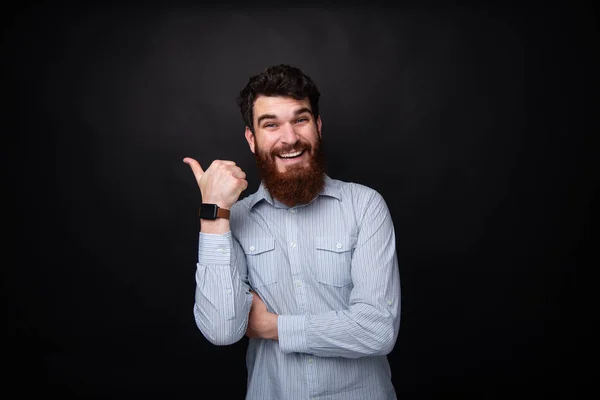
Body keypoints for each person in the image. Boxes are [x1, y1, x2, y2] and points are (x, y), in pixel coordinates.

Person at [183, 64, 401, 399]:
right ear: (252, 139)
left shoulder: (365, 206)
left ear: (318, 126)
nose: (290, 138)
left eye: (300, 119)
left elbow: (378, 330)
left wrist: (273, 326)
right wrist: (213, 213)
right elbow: (222, 330)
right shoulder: (235, 219)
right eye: (271, 125)